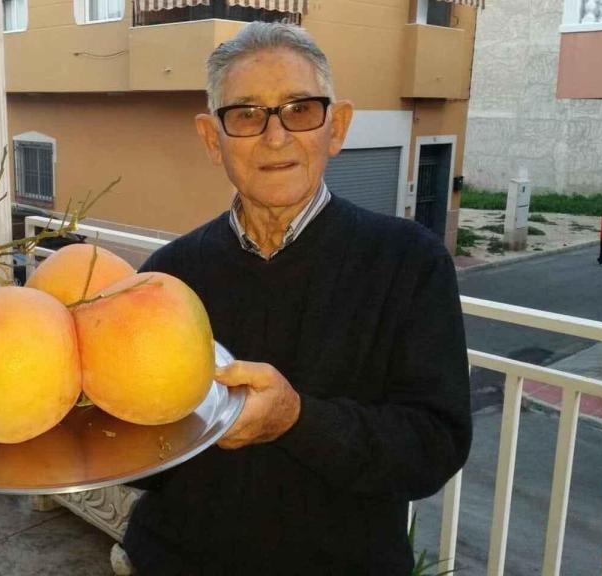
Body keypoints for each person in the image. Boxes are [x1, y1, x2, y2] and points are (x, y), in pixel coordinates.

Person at [122, 23, 472, 575]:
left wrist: (296, 419)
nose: (275, 136)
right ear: (212, 139)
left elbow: (434, 448)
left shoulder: (409, 263)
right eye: (246, 114)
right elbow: (145, 461)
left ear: (337, 127)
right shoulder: (169, 277)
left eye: (300, 109)